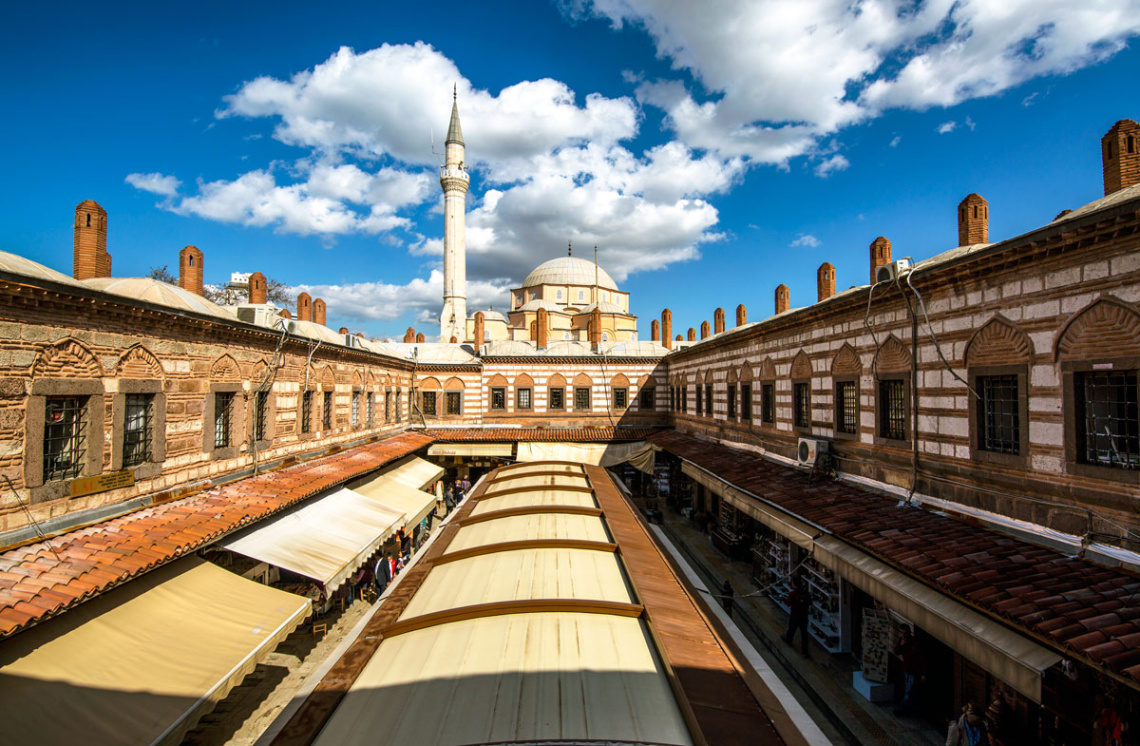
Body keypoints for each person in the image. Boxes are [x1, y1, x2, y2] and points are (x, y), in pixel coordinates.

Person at [895, 625, 925, 716]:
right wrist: (901, 644)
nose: (903, 635)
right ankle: (907, 708)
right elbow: (897, 651)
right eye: (901, 633)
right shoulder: (902, 641)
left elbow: (922, 659)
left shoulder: (914, 644)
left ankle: (902, 710)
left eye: (905, 633)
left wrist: (923, 673)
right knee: (908, 690)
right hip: (906, 669)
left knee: (909, 690)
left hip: (914, 671)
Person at [784, 577, 810, 655]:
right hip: (804, 616)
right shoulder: (806, 593)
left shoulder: (793, 594)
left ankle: (788, 640)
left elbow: (788, 603)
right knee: (804, 633)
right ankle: (805, 651)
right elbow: (810, 602)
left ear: (795, 585)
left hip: (795, 615)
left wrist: (783, 599)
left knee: (791, 629)